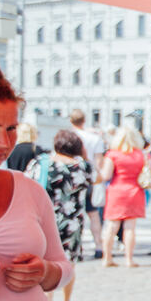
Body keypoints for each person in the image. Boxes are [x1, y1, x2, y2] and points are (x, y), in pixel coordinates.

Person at [0, 68, 72, 301]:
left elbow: (65, 268)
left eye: (12, 128)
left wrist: (44, 272)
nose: (4, 142)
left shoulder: (29, 190)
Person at [24, 129, 94, 301]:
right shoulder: (83, 167)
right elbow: (97, 179)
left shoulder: (41, 163)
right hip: (72, 223)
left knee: (46, 263)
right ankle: (67, 300)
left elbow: (27, 183)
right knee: (69, 263)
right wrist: (84, 156)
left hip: (45, 221)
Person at [99, 126, 148, 268]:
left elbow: (106, 175)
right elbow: (149, 175)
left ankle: (107, 257)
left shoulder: (112, 154)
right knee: (130, 227)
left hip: (116, 191)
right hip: (135, 191)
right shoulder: (142, 155)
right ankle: (129, 259)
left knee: (112, 226)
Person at [70, 109, 106, 259]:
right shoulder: (94, 138)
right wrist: (99, 180)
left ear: (71, 121)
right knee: (94, 215)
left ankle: (78, 247)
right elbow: (99, 162)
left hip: (72, 177)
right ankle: (98, 246)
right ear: (84, 121)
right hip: (90, 177)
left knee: (74, 214)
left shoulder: (69, 136)